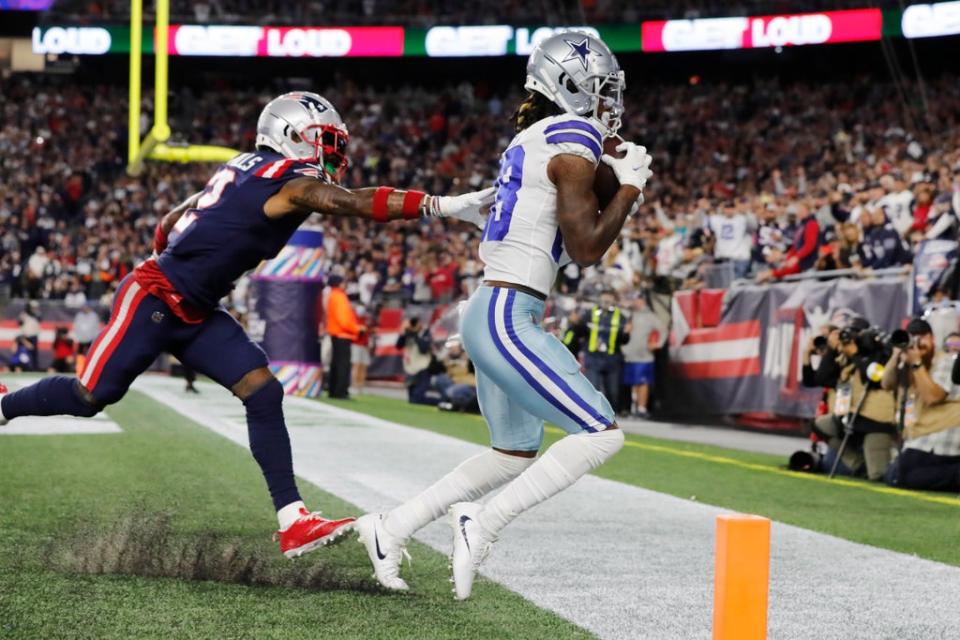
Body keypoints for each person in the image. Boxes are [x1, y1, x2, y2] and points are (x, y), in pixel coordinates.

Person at [0, 91, 493, 559]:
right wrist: (442, 205)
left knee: (262, 390)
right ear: (294, 135)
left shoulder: (248, 166)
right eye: (327, 141)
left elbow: (177, 215)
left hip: (196, 309)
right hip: (156, 296)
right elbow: (349, 202)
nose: (335, 154)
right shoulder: (290, 182)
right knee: (91, 397)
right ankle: (4, 407)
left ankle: (293, 518)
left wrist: (182, 249)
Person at [355, 33, 652, 596]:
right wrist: (630, 188)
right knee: (600, 434)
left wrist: (617, 180)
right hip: (506, 314)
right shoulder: (572, 136)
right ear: (572, 86)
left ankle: (391, 527)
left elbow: (571, 231)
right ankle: (481, 521)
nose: (611, 98)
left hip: (494, 307)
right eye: (602, 86)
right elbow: (587, 247)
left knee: (512, 453)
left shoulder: (540, 136)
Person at [811, 320, 897, 480]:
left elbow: (874, 379)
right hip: (849, 417)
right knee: (819, 425)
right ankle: (858, 464)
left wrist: (857, 354)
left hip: (875, 423)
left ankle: (882, 463)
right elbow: (822, 378)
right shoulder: (848, 357)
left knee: (878, 475)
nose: (851, 339)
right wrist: (831, 349)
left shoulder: (880, 353)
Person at [882, 318, 960, 492]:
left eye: (922, 337)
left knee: (898, 476)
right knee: (892, 474)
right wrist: (896, 356)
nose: (918, 343)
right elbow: (886, 384)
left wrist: (916, 363)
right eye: (913, 338)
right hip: (923, 437)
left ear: (932, 338)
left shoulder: (946, 361)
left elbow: (932, 397)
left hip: (941, 437)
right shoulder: (909, 362)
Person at [579, 290, 630, 412]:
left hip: (612, 357)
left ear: (614, 300)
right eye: (604, 299)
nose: (606, 302)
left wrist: (626, 333)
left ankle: (611, 416)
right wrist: (576, 324)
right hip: (593, 356)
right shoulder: (589, 314)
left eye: (609, 299)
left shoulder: (620, 316)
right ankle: (592, 413)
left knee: (613, 391)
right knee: (592, 387)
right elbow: (581, 332)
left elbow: (624, 340)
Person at [621, 296, 666, 418]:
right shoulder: (626, 314)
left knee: (642, 382)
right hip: (627, 354)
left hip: (644, 355)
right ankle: (630, 407)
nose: (636, 302)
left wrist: (658, 344)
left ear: (644, 301)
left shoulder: (649, 316)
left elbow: (663, 330)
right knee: (629, 383)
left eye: (639, 299)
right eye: (634, 299)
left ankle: (641, 408)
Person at [325, 274, 361, 400]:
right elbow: (343, 319)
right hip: (343, 334)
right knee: (343, 364)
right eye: (343, 282)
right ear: (339, 283)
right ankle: (341, 392)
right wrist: (356, 328)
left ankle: (333, 390)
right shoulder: (339, 296)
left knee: (335, 363)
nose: (345, 284)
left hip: (336, 333)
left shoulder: (333, 295)